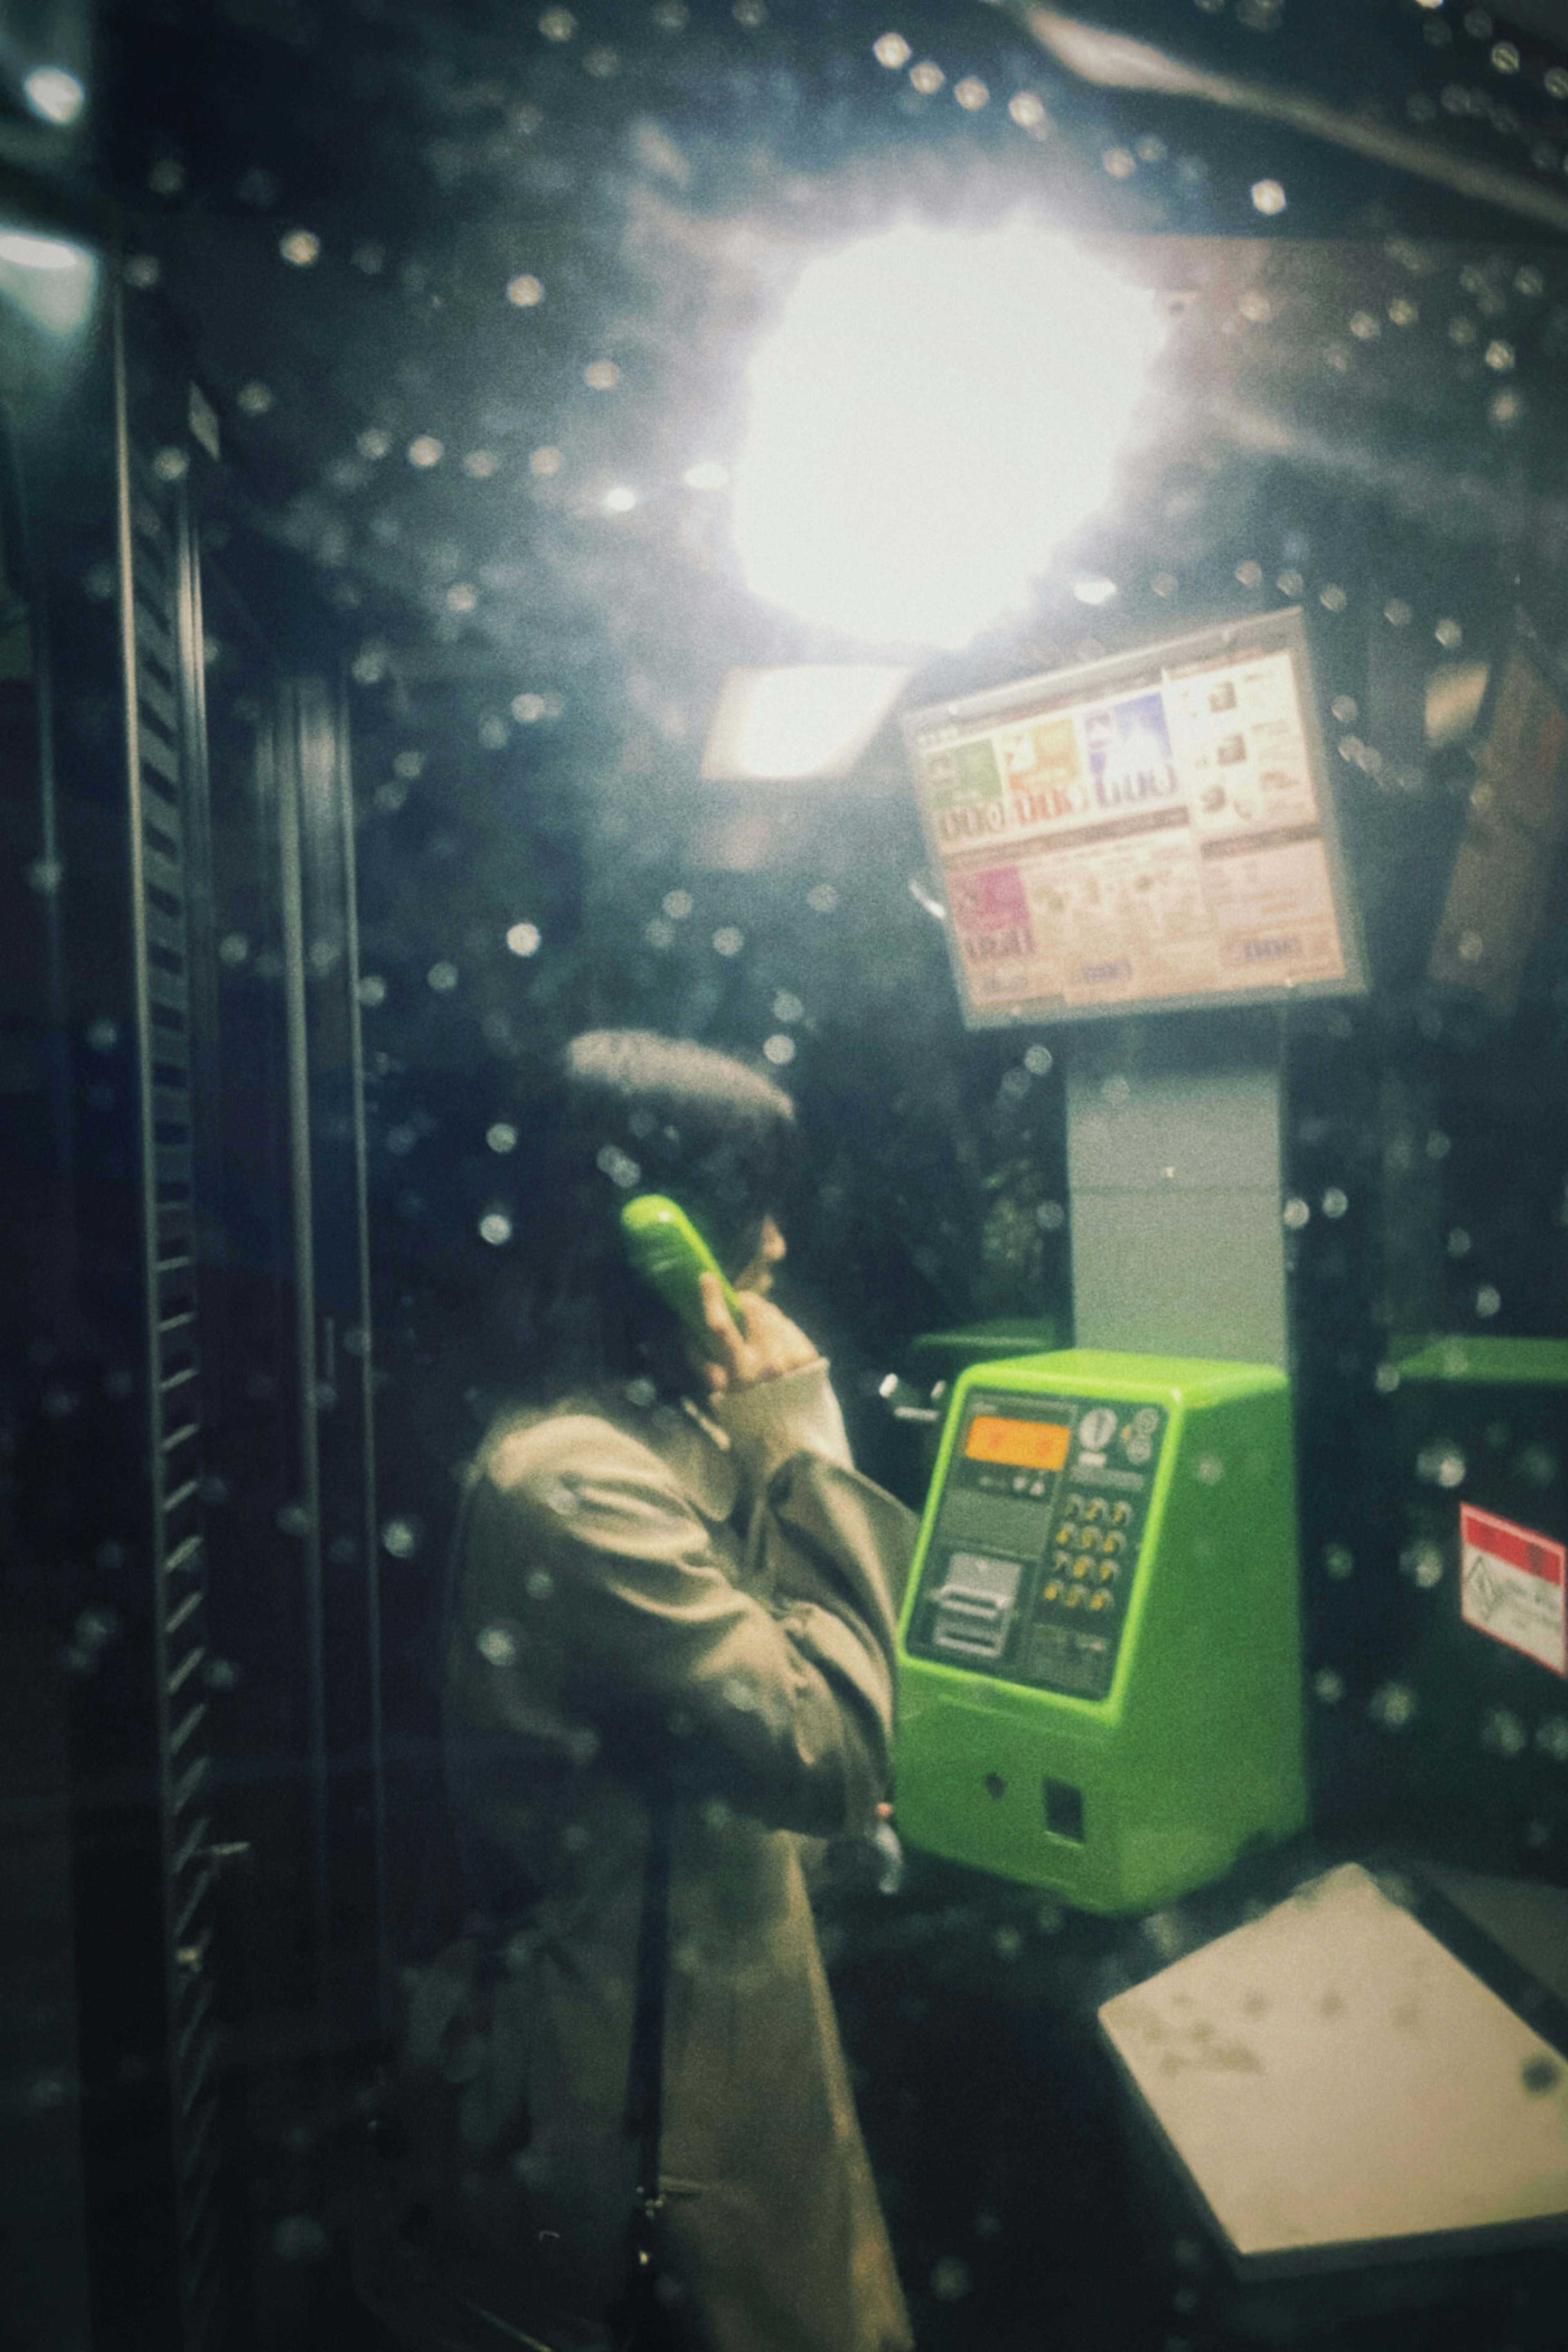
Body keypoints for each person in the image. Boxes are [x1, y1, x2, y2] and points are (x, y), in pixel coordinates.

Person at [402, 1030, 917, 2352]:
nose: (780, 1250)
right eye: (758, 1210)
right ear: (661, 1234)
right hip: (646, 2115)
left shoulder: (659, 1435)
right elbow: (833, 1745)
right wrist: (809, 1448)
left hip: (708, 2052)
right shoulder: (579, 1483)